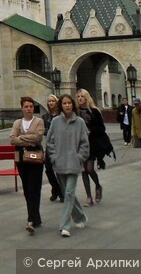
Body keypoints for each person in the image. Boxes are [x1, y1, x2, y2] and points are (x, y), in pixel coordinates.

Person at [46, 93, 90, 238]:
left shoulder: (80, 122)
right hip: (59, 164)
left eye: (69, 103)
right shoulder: (55, 122)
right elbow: (49, 141)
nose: (67, 106)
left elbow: (84, 143)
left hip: (73, 164)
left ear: (73, 105)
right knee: (68, 193)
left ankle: (64, 225)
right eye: (64, 103)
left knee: (69, 193)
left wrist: (79, 158)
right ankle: (80, 217)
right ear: (61, 106)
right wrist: (53, 157)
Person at [10, 96, 45, 234]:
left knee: (34, 187)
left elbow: (38, 138)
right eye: (26, 106)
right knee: (26, 187)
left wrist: (22, 139)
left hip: (35, 157)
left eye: (31, 106)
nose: (29, 109)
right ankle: (35, 218)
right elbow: (12, 140)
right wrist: (28, 140)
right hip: (20, 158)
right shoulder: (17, 123)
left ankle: (31, 219)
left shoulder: (39, 121)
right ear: (22, 108)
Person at [75, 89, 104, 205]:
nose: (80, 98)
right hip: (79, 145)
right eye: (78, 97)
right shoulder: (75, 113)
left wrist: (91, 131)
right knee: (83, 171)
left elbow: (102, 128)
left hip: (91, 144)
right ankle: (89, 197)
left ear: (87, 98)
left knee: (89, 169)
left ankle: (98, 186)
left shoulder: (94, 111)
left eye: (82, 96)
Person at [41, 94, 64, 203]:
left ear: (56, 102)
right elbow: (43, 130)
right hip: (50, 146)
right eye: (49, 101)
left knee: (59, 170)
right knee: (48, 170)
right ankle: (56, 189)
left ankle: (61, 191)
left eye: (53, 101)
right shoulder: (45, 117)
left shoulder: (61, 115)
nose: (50, 103)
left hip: (61, 146)